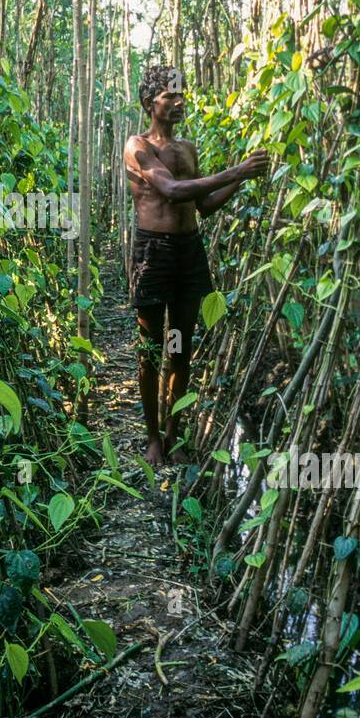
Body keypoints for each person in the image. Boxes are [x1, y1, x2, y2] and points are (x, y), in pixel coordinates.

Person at [123, 65, 270, 467]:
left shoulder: (188, 148)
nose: (179, 102)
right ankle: (152, 436)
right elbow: (170, 191)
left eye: (181, 95)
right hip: (153, 253)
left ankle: (174, 434)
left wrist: (243, 179)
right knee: (153, 349)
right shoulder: (138, 146)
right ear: (150, 103)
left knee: (180, 345)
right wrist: (236, 170)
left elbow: (202, 205)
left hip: (188, 251)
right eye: (170, 96)